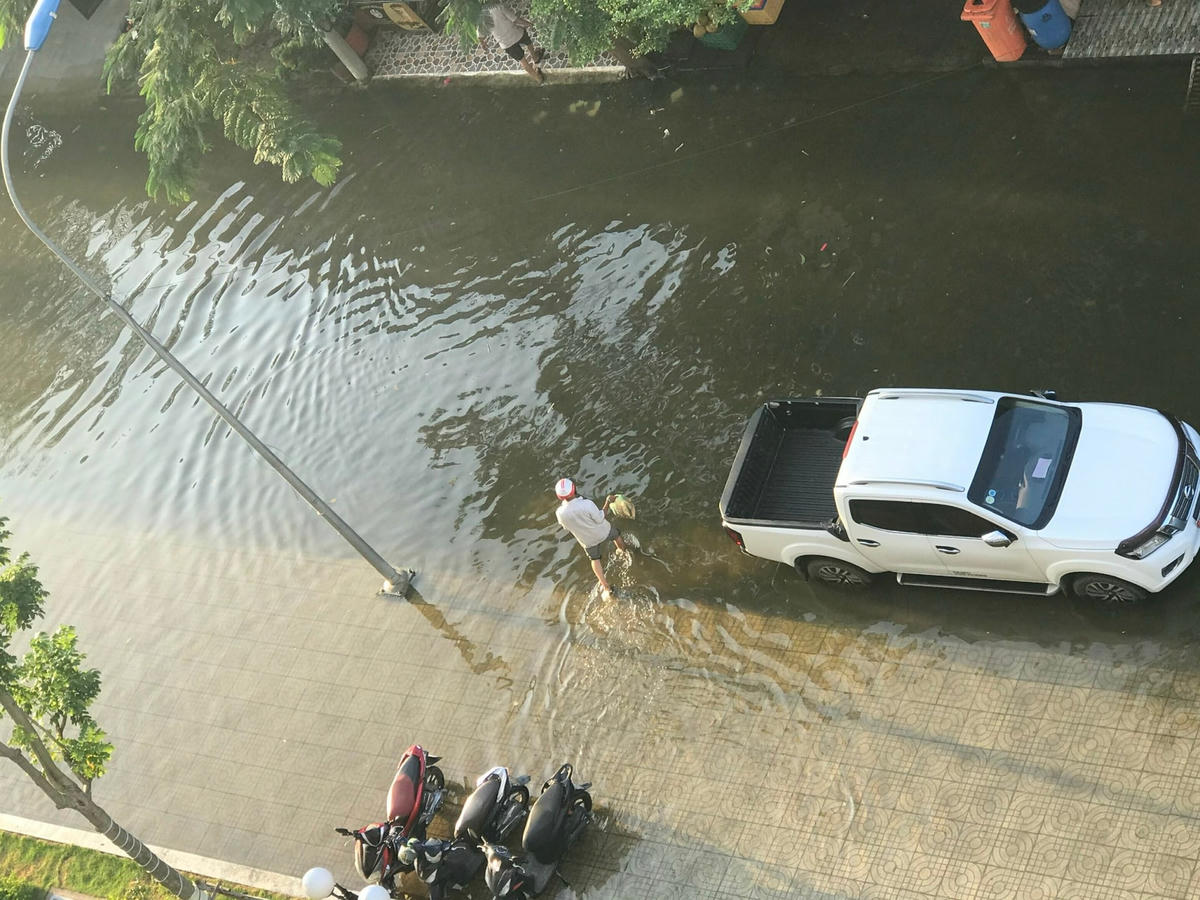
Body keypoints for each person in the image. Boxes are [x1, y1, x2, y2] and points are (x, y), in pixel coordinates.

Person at [554, 477, 628, 595]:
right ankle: (623, 552)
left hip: (587, 540)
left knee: (594, 559)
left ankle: (606, 587)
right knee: (616, 535)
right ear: (574, 489)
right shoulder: (586, 504)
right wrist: (608, 502)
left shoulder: (559, 513)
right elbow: (600, 518)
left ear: (559, 496)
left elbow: (566, 527)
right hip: (602, 531)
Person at [479, 3, 546, 83]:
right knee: (528, 42)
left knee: (523, 61)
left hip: (506, 44)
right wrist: (528, 24)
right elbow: (515, 19)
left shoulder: (481, 17)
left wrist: (483, 43)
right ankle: (535, 57)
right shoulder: (499, 7)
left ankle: (538, 79)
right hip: (517, 33)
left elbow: (480, 35)